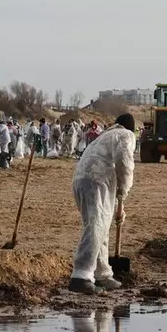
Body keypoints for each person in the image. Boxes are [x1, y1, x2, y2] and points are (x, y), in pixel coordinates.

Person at [69, 114, 136, 295]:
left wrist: (118, 202)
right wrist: (124, 190)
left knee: (100, 226)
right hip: (96, 180)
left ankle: (102, 273)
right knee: (96, 226)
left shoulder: (104, 136)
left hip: (81, 180)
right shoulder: (126, 135)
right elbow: (125, 162)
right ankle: (81, 276)